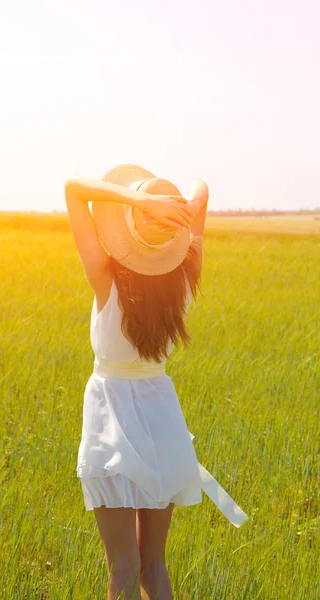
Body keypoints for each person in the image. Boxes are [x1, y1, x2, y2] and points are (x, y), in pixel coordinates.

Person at [64, 164, 248, 600]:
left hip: (112, 420)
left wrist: (140, 201)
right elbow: (201, 190)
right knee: (154, 567)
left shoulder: (105, 280)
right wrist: (177, 208)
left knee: (123, 569)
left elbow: (73, 189)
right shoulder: (185, 276)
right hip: (163, 420)